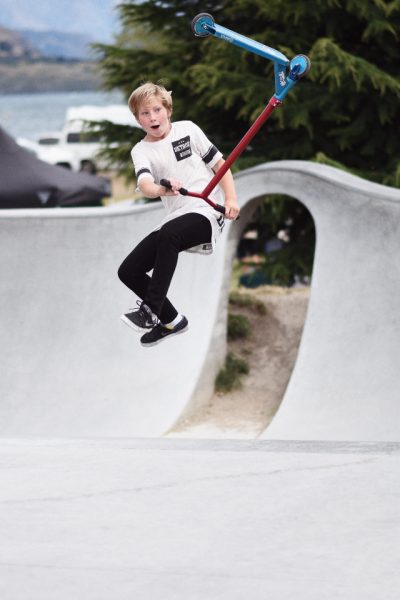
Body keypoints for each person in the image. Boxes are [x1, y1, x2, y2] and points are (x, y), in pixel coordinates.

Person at [118, 82, 240, 347]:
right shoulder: (141, 150)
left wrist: (230, 199)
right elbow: (146, 185)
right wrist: (162, 186)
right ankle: (171, 320)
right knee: (128, 270)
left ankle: (150, 310)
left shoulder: (188, 130)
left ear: (168, 110)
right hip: (176, 217)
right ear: (137, 119)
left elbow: (221, 166)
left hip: (207, 211)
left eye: (157, 110)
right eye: (144, 114)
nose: (152, 118)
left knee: (170, 235)